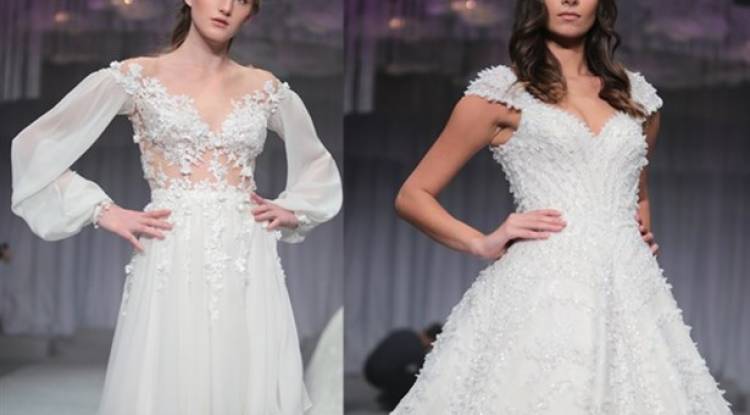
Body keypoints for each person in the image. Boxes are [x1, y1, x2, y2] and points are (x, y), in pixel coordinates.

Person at [390, 0, 732, 413]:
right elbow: (413, 195)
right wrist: (480, 242)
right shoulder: (501, 95)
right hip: (543, 285)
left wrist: (641, 234)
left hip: (629, 288)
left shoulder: (636, 97)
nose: (569, 0)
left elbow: (637, 189)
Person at [9, 0, 342, 413]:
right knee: (172, 376)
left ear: (252, 13)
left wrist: (297, 209)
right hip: (172, 248)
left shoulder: (264, 89)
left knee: (243, 374)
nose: (226, 7)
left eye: (242, 0)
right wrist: (101, 209)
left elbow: (317, 163)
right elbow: (34, 146)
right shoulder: (137, 77)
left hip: (245, 255)